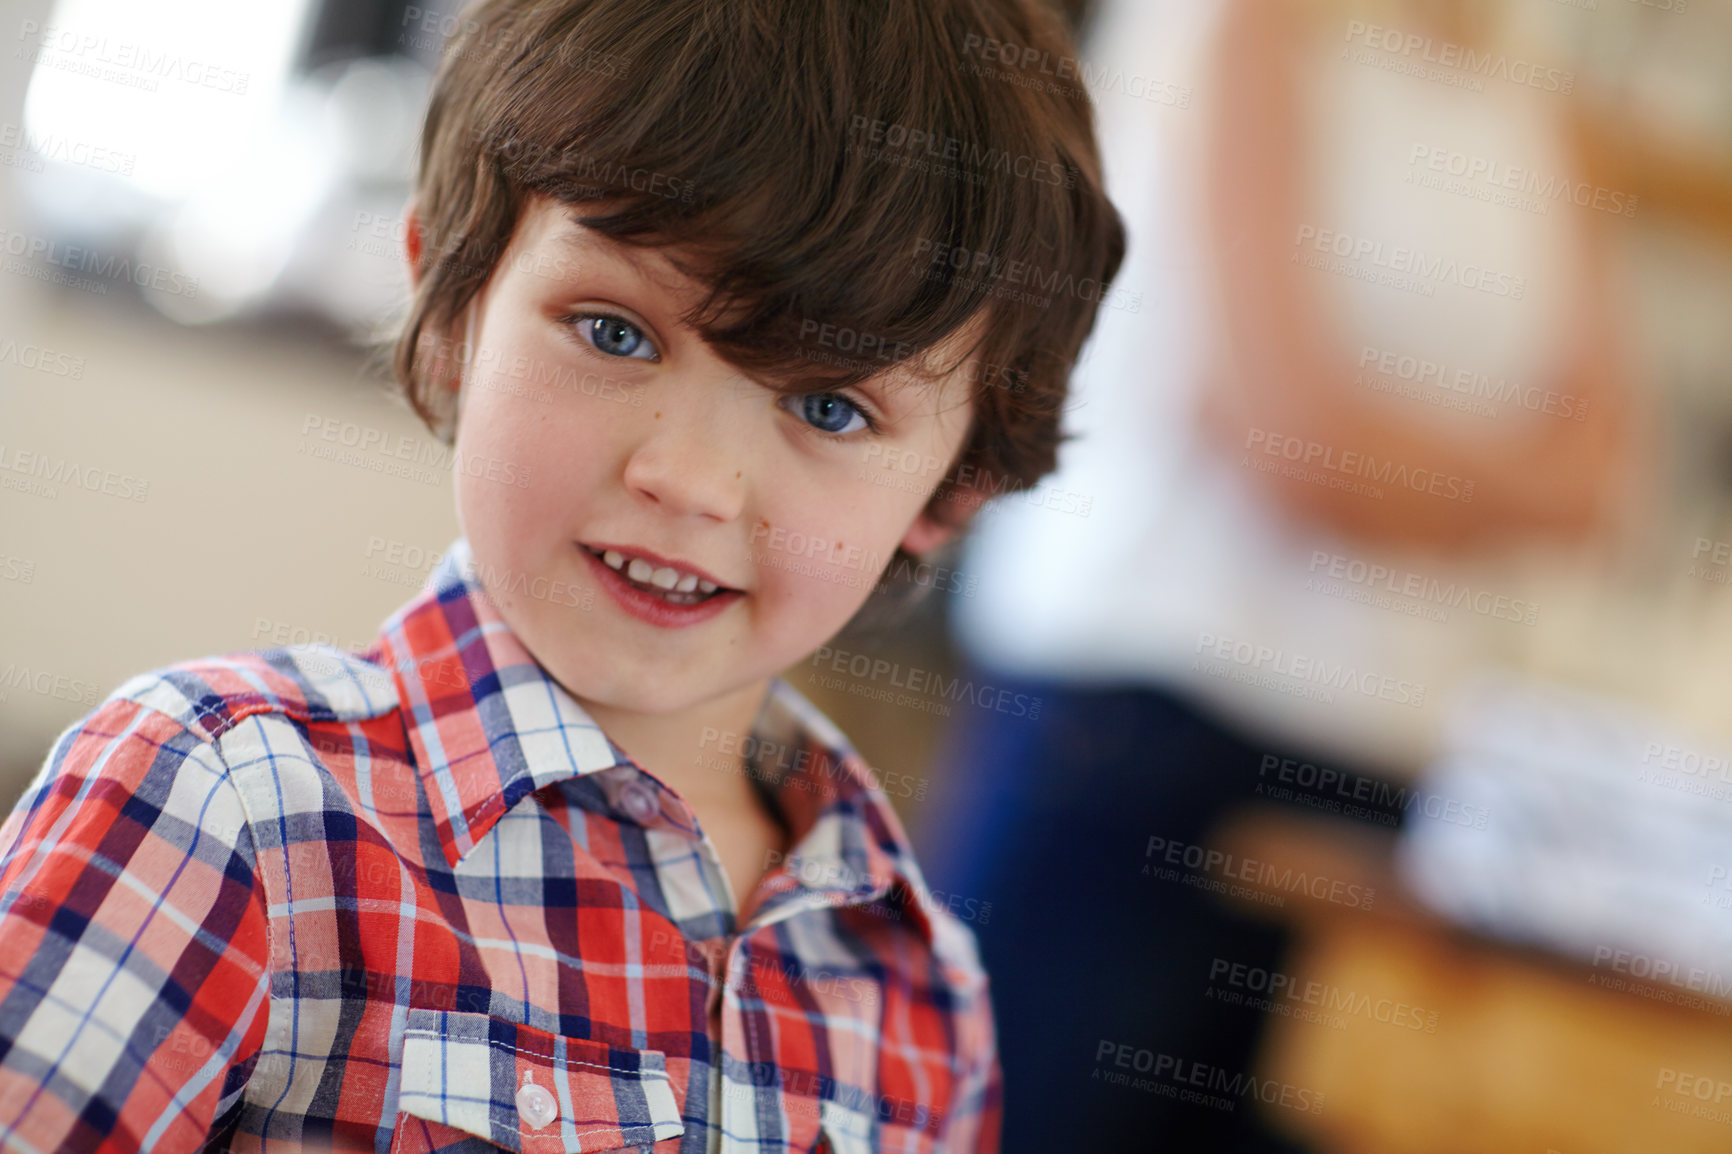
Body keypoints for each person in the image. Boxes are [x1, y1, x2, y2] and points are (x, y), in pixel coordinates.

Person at [0, 1, 1125, 1149]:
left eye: (829, 406)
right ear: (450, 302)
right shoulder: (220, 804)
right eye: (614, 332)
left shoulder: (924, 998)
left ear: (952, 490)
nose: (689, 478)